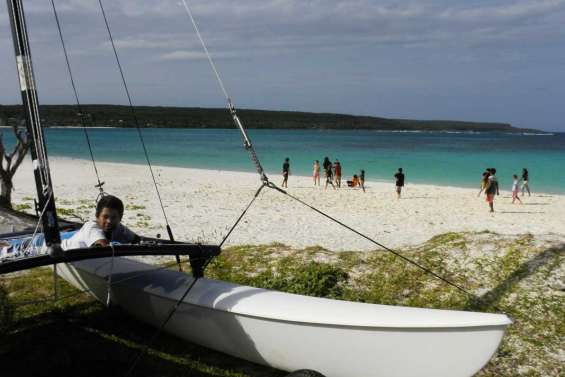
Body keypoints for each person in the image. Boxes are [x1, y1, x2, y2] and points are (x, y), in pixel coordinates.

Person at [62, 195, 139, 251]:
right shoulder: (92, 228)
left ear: (120, 218)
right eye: (105, 217)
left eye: (114, 217)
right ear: (97, 216)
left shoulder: (118, 228)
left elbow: (137, 239)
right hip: (63, 252)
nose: (109, 221)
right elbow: (103, 247)